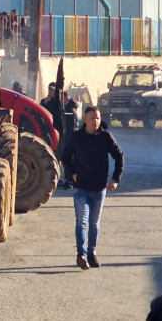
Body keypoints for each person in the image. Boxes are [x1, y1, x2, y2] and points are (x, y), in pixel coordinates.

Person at [61, 106, 124, 270]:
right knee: (81, 221)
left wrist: (115, 179)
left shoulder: (105, 137)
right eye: (92, 118)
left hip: (99, 189)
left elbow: (119, 156)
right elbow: (65, 157)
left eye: (97, 117)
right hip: (81, 188)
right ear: (85, 120)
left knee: (94, 223)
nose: (95, 121)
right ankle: (81, 254)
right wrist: (72, 174)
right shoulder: (77, 137)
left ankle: (91, 253)